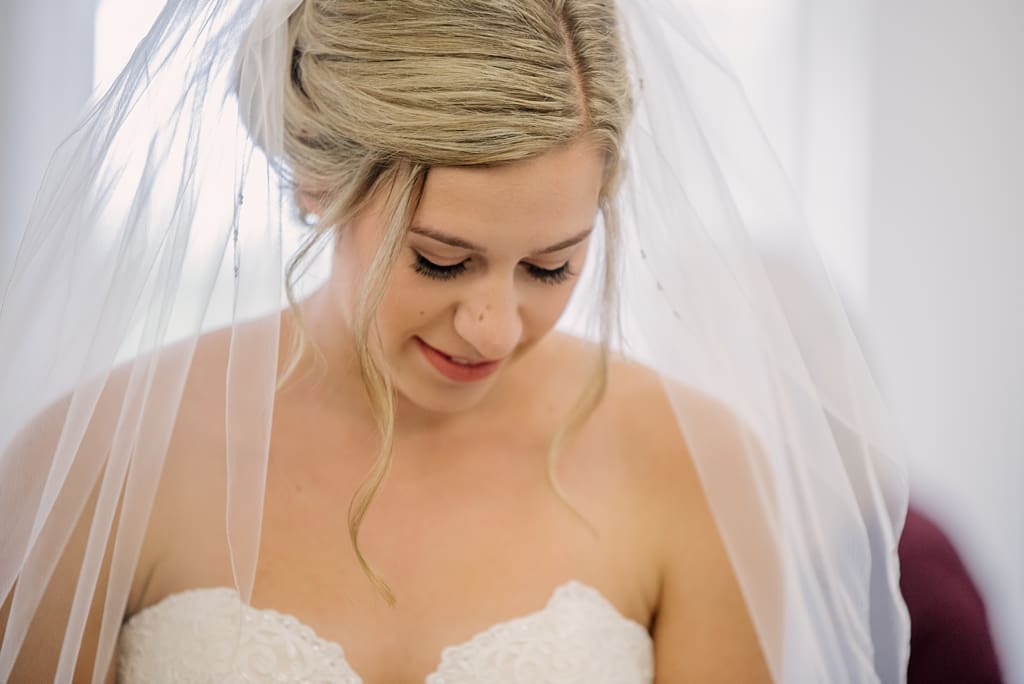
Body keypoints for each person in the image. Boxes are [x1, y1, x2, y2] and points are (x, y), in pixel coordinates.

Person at [0, 0, 910, 682]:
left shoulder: (695, 465)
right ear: (319, 181)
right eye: (441, 262)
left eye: (550, 268)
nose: (496, 326)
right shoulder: (97, 463)